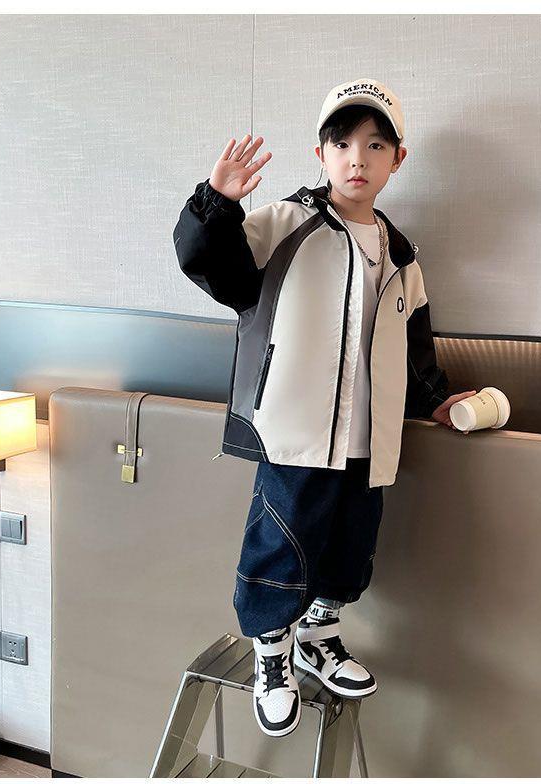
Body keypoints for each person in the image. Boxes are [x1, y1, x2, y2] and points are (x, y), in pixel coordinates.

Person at [174, 78, 476, 737]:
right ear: (320, 154)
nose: (356, 159)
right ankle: (272, 654)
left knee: (349, 545)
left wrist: (436, 399)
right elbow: (214, 268)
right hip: (296, 430)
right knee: (281, 544)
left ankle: (318, 637)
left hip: (368, 434)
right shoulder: (286, 223)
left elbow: (414, 343)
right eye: (341, 144)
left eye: (375, 145)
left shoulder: (401, 253)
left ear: (398, 159)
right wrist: (216, 203)